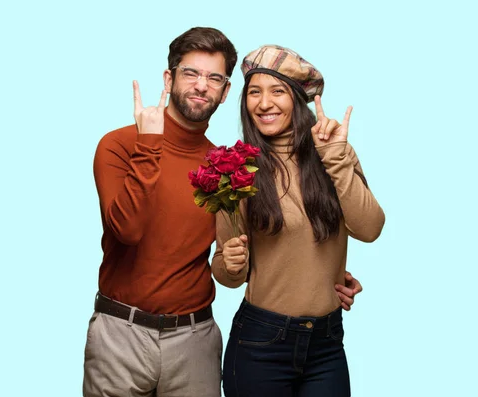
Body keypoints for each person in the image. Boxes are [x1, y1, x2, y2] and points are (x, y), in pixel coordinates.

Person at [84, 28, 362, 397]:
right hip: (121, 332)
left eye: (214, 78)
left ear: (226, 91)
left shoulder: (226, 165)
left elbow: (250, 245)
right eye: (190, 73)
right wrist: (150, 143)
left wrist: (319, 273)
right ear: (169, 78)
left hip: (195, 338)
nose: (202, 86)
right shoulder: (119, 144)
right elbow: (128, 231)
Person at [211, 45, 385, 397]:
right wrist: (228, 264)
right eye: (254, 93)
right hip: (261, 342)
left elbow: (369, 229)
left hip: (327, 343)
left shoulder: (334, 153)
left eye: (277, 91)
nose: (264, 103)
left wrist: (334, 155)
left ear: (298, 99)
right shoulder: (237, 167)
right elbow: (228, 274)